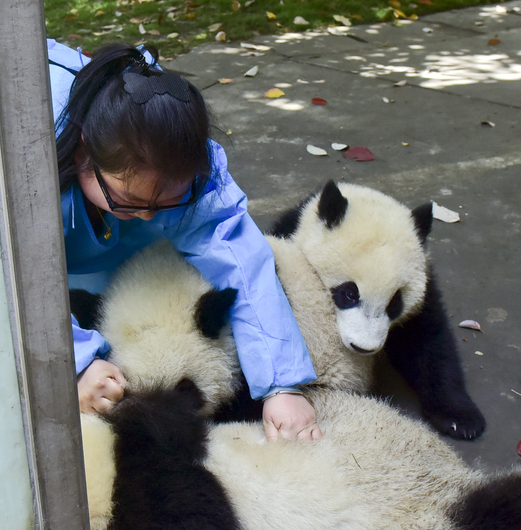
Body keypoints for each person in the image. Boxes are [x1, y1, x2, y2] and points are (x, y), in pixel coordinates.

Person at [49, 41, 322, 442]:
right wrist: (74, 362)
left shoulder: (187, 163)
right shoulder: (20, 151)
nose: (146, 215)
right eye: (130, 201)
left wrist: (282, 387)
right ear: (83, 153)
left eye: (166, 201)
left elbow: (241, 259)